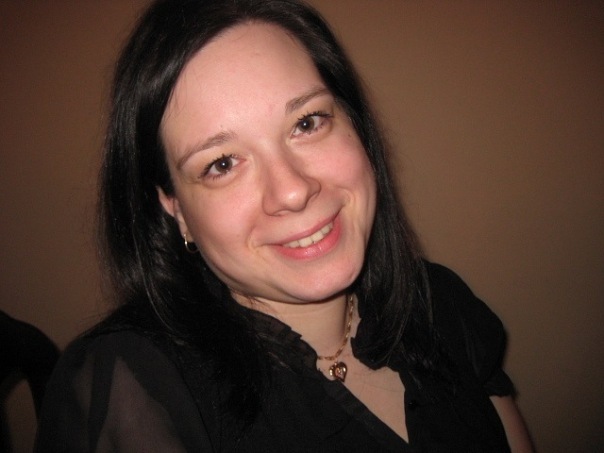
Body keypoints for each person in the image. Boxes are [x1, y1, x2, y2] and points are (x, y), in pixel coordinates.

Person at [35, 0, 533, 451]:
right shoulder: (133, 389)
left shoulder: (439, 302)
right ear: (174, 206)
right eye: (222, 163)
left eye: (307, 123)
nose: (293, 191)